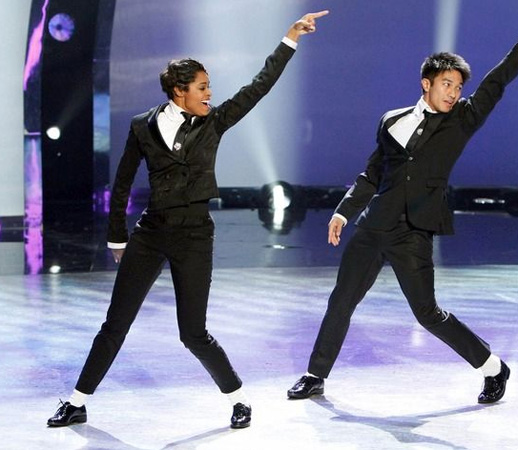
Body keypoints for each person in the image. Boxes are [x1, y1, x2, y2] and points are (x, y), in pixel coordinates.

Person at [47, 10, 329, 429]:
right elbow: (122, 182)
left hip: (195, 235)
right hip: (151, 232)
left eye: (209, 86)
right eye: (202, 86)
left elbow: (259, 86)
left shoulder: (214, 122)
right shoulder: (143, 126)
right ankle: (77, 402)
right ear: (179, 91)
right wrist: (117, 237)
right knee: (115, 325)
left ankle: (238, 398)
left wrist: (290, 38)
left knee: (192, 333)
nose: (210, 93)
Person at [288, 24, 518, 403]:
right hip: (373, 227)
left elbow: (496, 83)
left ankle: (493, 367)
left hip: (414, 232)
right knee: (341, 301)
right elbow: (372, 174)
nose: (454, 93)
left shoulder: (462, 119)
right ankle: (314, 374)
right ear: (427, 83)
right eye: (447, 84)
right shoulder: (392, 120)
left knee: (427, 313)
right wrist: (343, 211)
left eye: (458, 87)